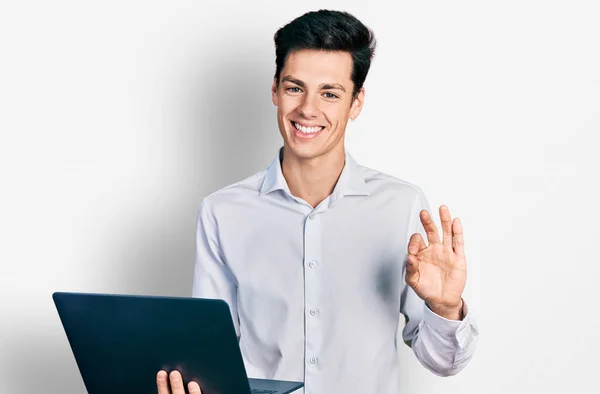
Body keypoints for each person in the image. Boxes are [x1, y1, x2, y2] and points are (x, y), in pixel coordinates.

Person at [157, 9, 479, 394]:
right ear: (275, 90)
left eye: (330, 93)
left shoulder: (401, 206)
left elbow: (442, 362)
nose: (308, 109)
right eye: (295, 88)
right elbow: (211, 353)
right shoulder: (221, 213)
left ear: (356, 102)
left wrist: (444, 308)